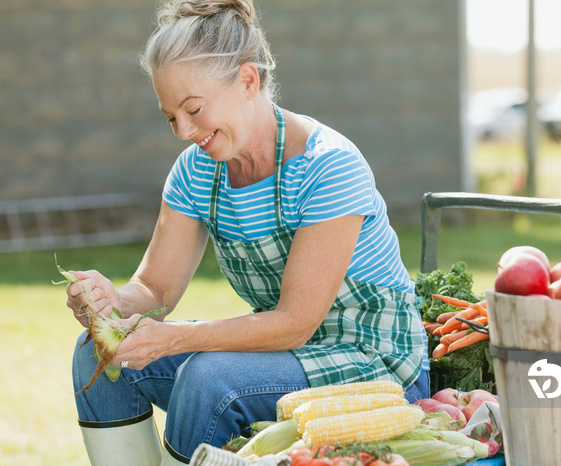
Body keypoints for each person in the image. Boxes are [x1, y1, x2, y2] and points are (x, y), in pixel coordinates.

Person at [65, 0, 430, 464]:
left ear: (248, 80)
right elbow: (154, 288)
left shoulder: (327, 166)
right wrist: (108, 304)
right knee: (94, 351)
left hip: (373, 361)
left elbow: (297, 321)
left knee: (209, 379)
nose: (182, 130)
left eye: (194, 108)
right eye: (170, 116)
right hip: (281, 356)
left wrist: (175, 337)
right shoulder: (196, 171)